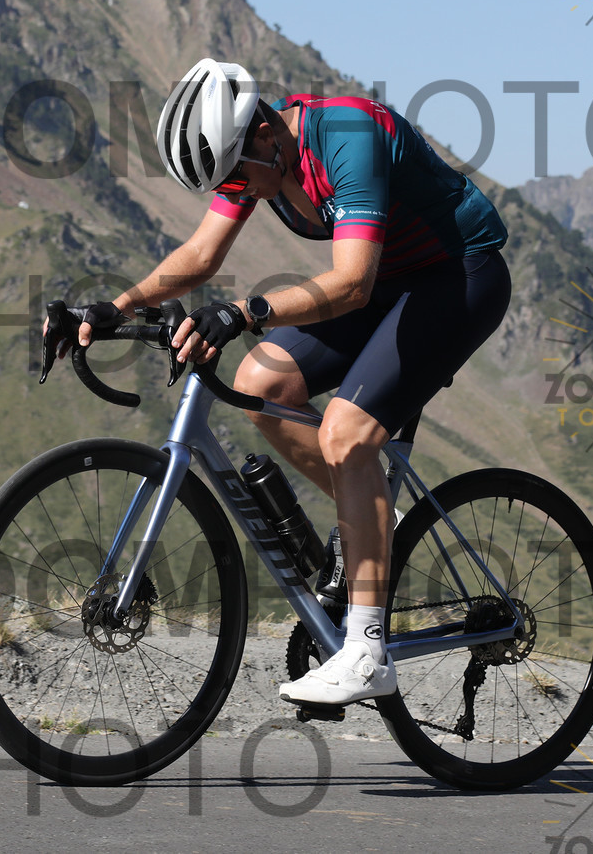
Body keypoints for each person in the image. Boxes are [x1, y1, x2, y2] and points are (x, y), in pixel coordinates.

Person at [74, 58, 512, 706]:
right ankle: (371, 519)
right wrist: (118, 306)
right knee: (261, 381)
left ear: (262, 133)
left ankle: (367, 653)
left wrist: (245, 312)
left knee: (344, 432)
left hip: (459, 278)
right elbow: (201, 253)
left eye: (233, 177)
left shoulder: (348, 136)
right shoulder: (254, 155)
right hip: (389, 282)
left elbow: (352, 283)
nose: (234, 191)